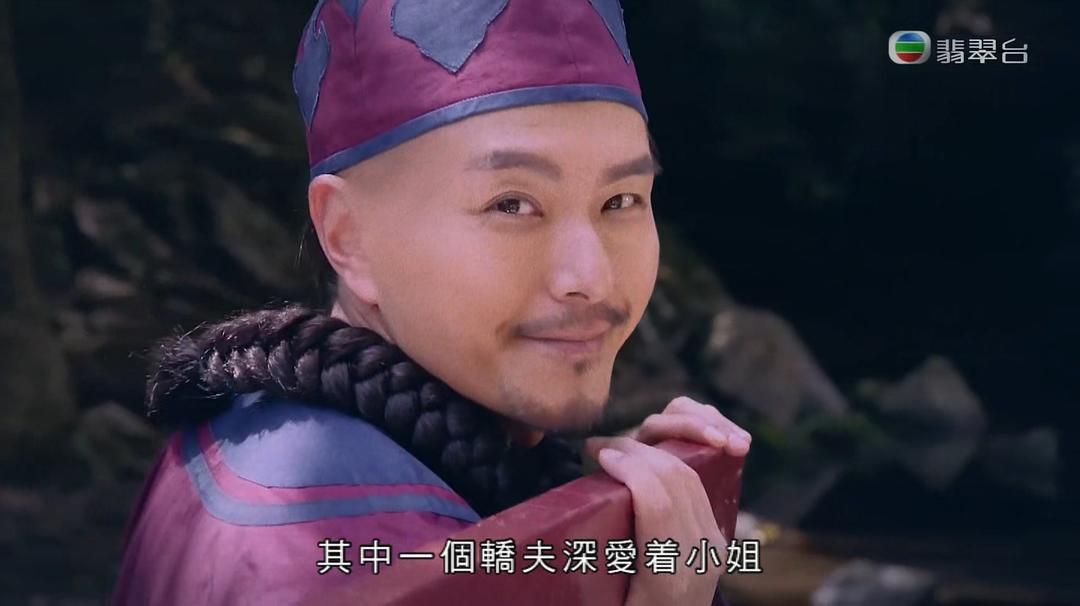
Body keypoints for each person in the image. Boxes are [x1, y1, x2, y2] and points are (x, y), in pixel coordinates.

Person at [112, 0, 752, 604]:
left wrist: (585, 507)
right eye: (512, 204)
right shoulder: (344, 553)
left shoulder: (247, 434)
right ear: (349, 236)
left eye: (621, 201)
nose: (591, 277)